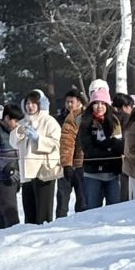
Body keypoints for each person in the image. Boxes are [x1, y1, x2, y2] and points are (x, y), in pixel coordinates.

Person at [14, 90, 62, 224]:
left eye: (34, 103)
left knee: (43, 214)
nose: (30, 106)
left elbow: (56, 143)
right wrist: (19, 132)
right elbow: (13, 142)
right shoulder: (22, 122)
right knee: (30, 214)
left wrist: (38, 139)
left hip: (44, 171)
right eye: (28, 103)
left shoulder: (49, 121)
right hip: (27, 174)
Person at [77, 82, 124, 210]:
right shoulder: (85, 123)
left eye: (103, 103)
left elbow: (120, 146)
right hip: (92, 174)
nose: (100, 106)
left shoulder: (114, 121)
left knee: (114, 209)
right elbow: (89, 150)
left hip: (113, 173)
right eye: (96, 103)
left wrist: (107, 144)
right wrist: (109, 150)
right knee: (93, 209)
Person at [57, 88, 86, 217]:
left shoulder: (84, 116)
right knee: (62, 200)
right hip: (64, 163)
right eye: (67, 102)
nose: (69, 104)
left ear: (78, 102)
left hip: (81, 163)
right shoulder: (60, 119)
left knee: (82, 199)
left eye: (71, 102)